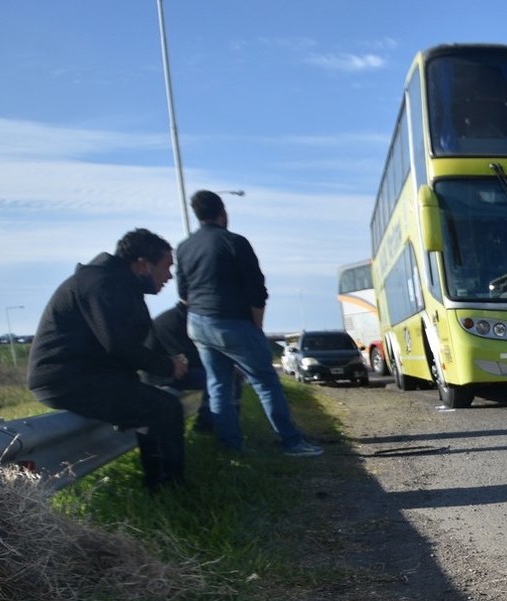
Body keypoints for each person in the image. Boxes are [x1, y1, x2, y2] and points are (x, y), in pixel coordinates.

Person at [26, 229, 189, 491]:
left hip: (83, 377)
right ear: (142, 264)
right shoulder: (103, 284)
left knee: (156, 406)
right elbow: (120, 347)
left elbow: (117, 350)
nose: (169, 276)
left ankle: (161, 485)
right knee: (165, 409)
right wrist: (169, 365)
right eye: (166, 267)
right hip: (66, 380)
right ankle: (169, 489)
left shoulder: (115, 282)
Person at [174, 190, 322, 456]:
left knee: (218, 383)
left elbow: (183, 294)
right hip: (230, 321)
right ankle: (292, 442)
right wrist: (257, 327)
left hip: (197, 322)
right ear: (223, 213)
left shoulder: (184, 247)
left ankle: (231, 448)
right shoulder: (235, 242)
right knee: (265, 380)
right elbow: (257, 290)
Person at [145, 301, 220, 433]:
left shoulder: (184, 318)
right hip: (164, 375)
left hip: (176, 370)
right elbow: (185, 357)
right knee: (217, 379)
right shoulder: (172, 322)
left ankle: (216, 423)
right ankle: (206, 426)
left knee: (222, 375)